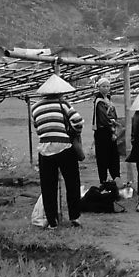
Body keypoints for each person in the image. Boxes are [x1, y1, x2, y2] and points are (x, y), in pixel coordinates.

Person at [32, 74, 84, 228]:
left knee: (48, 186)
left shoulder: (35, 107)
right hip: (64, 148)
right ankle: (74, 217)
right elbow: (78, 122)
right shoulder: (64, 104)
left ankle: (52, 222)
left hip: (45, 149)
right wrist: (72, 131)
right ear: (60, 92)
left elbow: (38, 128)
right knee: (72, 182)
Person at [92, 77, 121, 188]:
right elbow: (103, 117)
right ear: (99, 88)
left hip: (111, 131)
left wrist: (114, 123)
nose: (106, 88)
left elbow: (114, 114)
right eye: (103, 86)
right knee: (103, 156)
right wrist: (112, 122)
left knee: (114, 156)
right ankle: (103, 181)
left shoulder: (109, 100)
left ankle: (116, 179)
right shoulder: (99, 101)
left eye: (108, 86)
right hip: (102, 131)